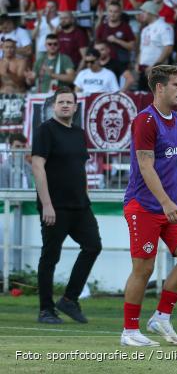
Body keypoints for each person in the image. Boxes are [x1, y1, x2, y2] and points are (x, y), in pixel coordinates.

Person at [121, 65, 177, 347]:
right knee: (144, 268)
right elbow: (145, 164)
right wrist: (165, 201)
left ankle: (161, 317)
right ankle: (129, 331)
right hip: (143, 206)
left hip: (171, 205)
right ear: (160, 88)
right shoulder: (145, 121)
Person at [31, 86, 101, 325]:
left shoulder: (79, 133)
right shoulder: (45, 131)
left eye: (68, 102)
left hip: (80, 205)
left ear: (75, 106)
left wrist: (86, 194)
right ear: (53, 105)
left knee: (93, 246)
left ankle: (69, 300)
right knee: (50, 257)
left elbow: (78, 168)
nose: (64, 106)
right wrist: (47, 204)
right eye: (60, 102)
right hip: (55, 207)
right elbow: (38, 167)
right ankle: (46, 310)